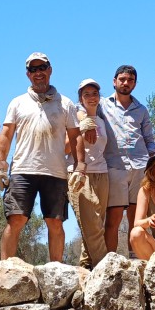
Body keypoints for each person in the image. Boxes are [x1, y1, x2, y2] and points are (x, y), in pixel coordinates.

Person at [0, 52, 83, 262]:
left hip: (56, 172)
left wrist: (80, 166)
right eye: (33, 69)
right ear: (28, 74)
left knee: (55, 222)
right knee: (16, 219)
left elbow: (75, 136)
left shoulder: (66, 103)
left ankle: (56, 270)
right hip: (22, 169)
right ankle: (5, 269)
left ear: (50, 70)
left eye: (42, 68)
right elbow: (6, 135)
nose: (38, 73)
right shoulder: (17, 102)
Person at [99, 65, 155, 256]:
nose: (126, 83)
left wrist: (151, 157)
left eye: (130, 80)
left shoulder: (141, 109)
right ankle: (110, 260)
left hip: (140, 167)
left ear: (135, 84)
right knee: (113, 217)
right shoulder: (102, 105)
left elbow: (149, 138)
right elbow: (82, 110)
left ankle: (135, 258)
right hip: (114, 167)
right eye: (122, 79)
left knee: (137, 218)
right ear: (114, 81)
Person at [69, 79, 109, 268]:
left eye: (95, 94)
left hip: (102, 173)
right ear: (80, 99)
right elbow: (65, 147)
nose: (92, 97)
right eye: (87, 94)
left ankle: (86, 266)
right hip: (81, 174)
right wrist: (82, 126)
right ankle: (104, 266)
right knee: (91, 223)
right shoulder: (74, 118)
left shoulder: (101, 120)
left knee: (97, 223)